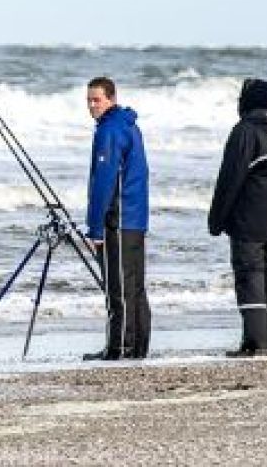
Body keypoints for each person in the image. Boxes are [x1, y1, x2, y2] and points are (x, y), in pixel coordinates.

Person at [208, 78, 267, 357]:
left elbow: (230, 179)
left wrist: (216, 219)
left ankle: (255, 343)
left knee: (250, 277)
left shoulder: (245, 132)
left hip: (249, 221)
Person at [81, 77, 151, 361]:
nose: (91, 106)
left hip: (119, 219)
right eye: (88, 100)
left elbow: (104, 183)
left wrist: (95, 228)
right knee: (134, 287)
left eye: (96, 100)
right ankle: (136, 346)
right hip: (135, 219)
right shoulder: (129, 126)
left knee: (118, 287)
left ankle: (119, 347)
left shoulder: (109, 131)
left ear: (110, 98)